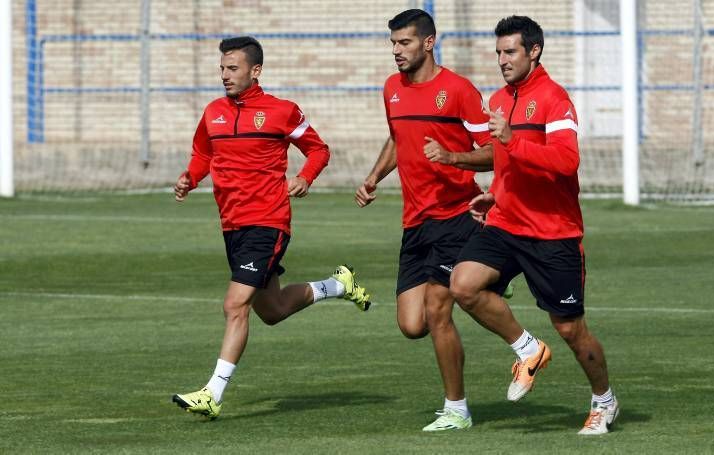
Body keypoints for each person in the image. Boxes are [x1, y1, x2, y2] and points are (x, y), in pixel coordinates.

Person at [171, 36, 371, 420]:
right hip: (231, 224)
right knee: (273, 310)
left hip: (267, 221)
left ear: (255, 70)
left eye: (233, 68)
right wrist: (190, 178)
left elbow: (319, 149)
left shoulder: (281, 112)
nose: (225, 75)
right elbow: (203, 153)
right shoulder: (213, 111)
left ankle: (213, 393)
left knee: (235, 305)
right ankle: (338, 285)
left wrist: (306, 177)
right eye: (222, 68)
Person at [449, 16, 619, 435]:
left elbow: (566, 162)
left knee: (570, 329)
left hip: (553, 233)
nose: (502, 60)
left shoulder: (555, 99)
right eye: (498, 53)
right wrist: (496, 193)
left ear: (534, 51)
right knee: (463, 284)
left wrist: (510, 140)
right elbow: (509, 163)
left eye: (510, 52)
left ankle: (604, 400)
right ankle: (528, 349)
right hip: (507, 223)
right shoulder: (500, 98)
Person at [355, 9, 499, 432]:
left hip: (457, 215)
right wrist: (374, 176)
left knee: (438, 312)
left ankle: (457, 409)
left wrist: (454, 158)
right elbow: (400, 139)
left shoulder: (458, 90)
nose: (397, 51)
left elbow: (492, 149)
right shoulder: (392, 89)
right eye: (394, 44)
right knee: (411, 323)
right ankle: (488, 285)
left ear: (429, 42)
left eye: (405, 43)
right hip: (416, 221)